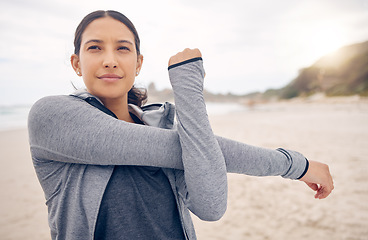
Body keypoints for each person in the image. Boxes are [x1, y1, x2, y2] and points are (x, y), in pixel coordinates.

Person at [28, 10, 334, 240]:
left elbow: (211, 206)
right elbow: (183, 149)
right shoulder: (52, 117)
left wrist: (188, 90)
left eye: (122, 48)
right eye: (95, 48)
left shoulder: (163, 124)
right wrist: (295, 165)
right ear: (76, 63)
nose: (110, 59)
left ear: (138, 63)